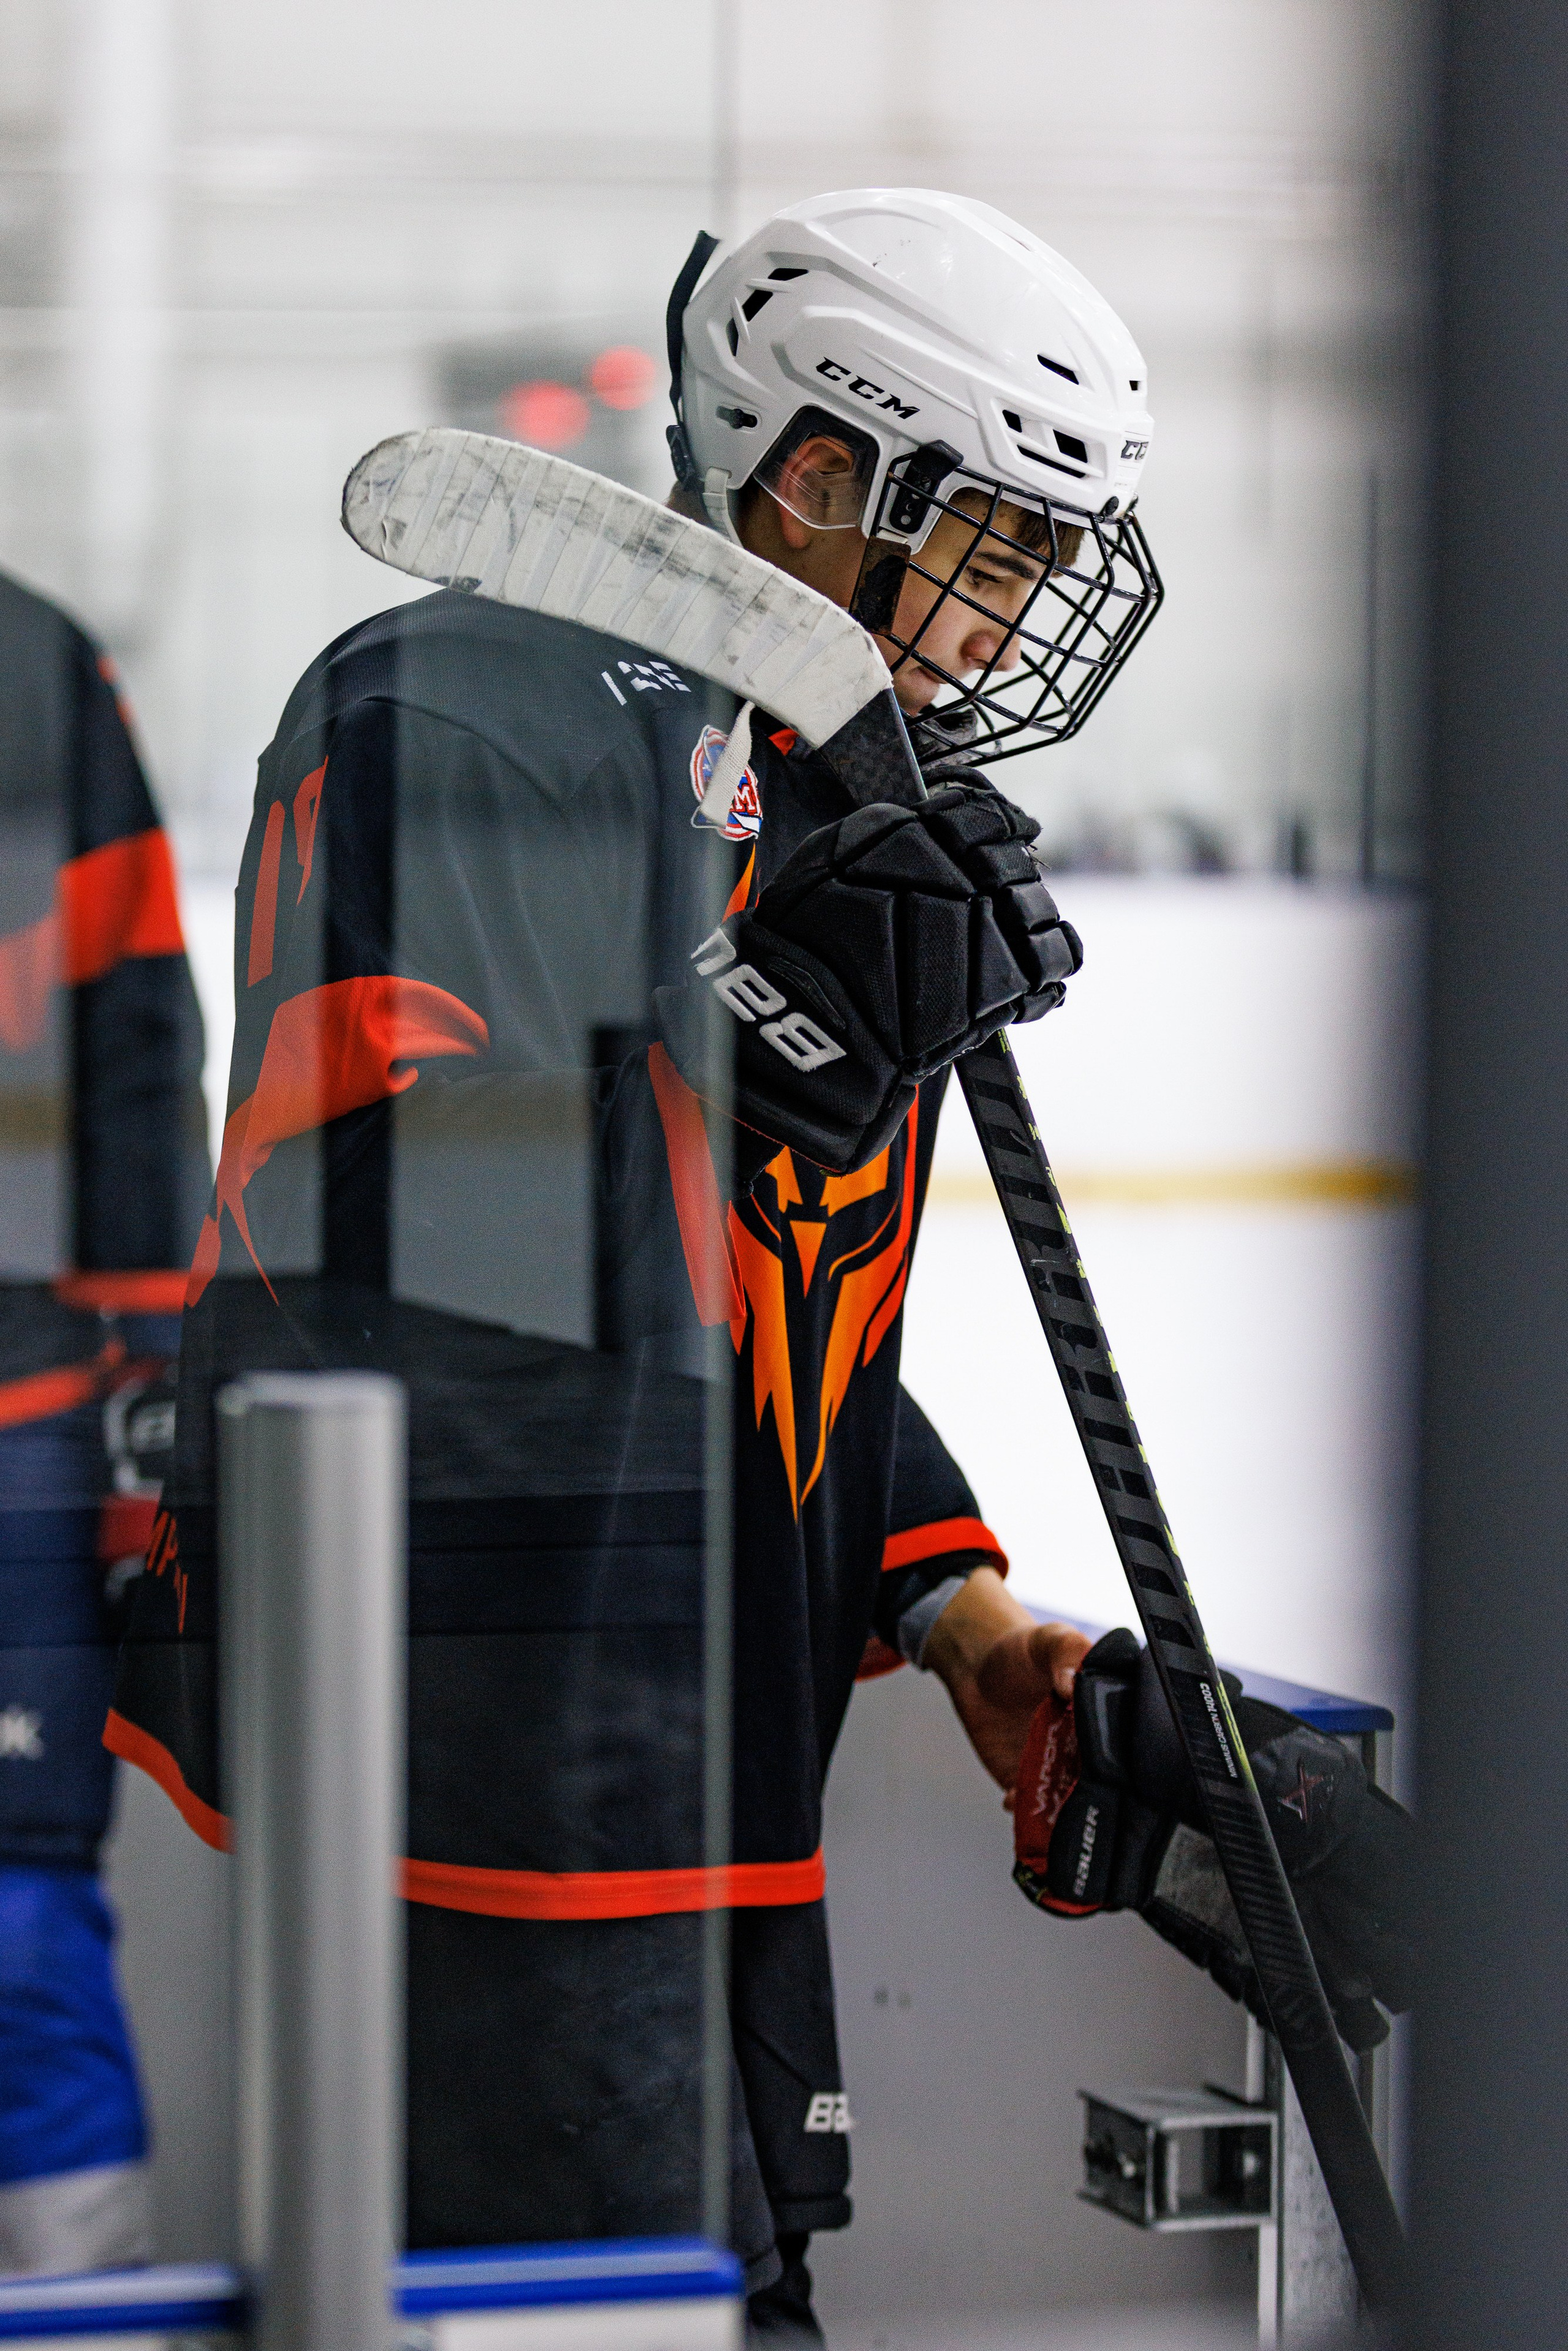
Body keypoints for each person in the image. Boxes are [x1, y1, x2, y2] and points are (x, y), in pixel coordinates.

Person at [107, 190, 1166, 2339]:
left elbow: (769, 1315)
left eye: (1049, 559)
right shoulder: (453, 709)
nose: (1016, 607)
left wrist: (951, 1610)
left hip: (716, 1757)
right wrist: (772, 1045)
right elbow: (367, 1242)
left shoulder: (837, 797)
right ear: (810, 473)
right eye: (992, 539)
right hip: (496, 1777)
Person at [0, 568, 208, 2274]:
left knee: (14, 1907)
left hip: (17, 1417)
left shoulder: (26, 661)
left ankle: (77, 2312)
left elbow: (136, 1013)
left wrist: (149, 1376)